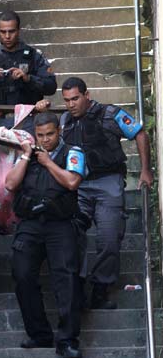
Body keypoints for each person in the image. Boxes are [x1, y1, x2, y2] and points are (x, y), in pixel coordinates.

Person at [0, 10, 58, 285]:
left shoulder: (33, 56)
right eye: (3, 31)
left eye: (12, 31)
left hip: (28, 134)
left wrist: (27, 78)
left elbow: (51, 85)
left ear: (19, 30)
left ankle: (39, 262)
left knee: (30, 191)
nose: (7, 36)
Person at [59, 76, 153, 309]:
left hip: (107, 184)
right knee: (70, 236)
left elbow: (139, 133)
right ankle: (76, 287)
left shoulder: (110, 114)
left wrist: (144, 170)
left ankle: (101, 288)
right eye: (67, 100)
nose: (71, 104)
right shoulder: (64, 120)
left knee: (109, 239)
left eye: (75, 98)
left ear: (87, 95)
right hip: (78, 186)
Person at [5, 112, 85, 358]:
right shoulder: (26, 155)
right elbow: (9, 184)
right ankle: (39, 333)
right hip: (30, 223)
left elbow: (72, 182)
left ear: (58, 131)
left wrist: (49, 162)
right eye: (40, 135)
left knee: (67, 280)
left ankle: (67, 340)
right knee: (22, 274)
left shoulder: (73, 152)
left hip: (60, 224)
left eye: (50, 134)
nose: (46, 139)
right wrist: (28, 155)